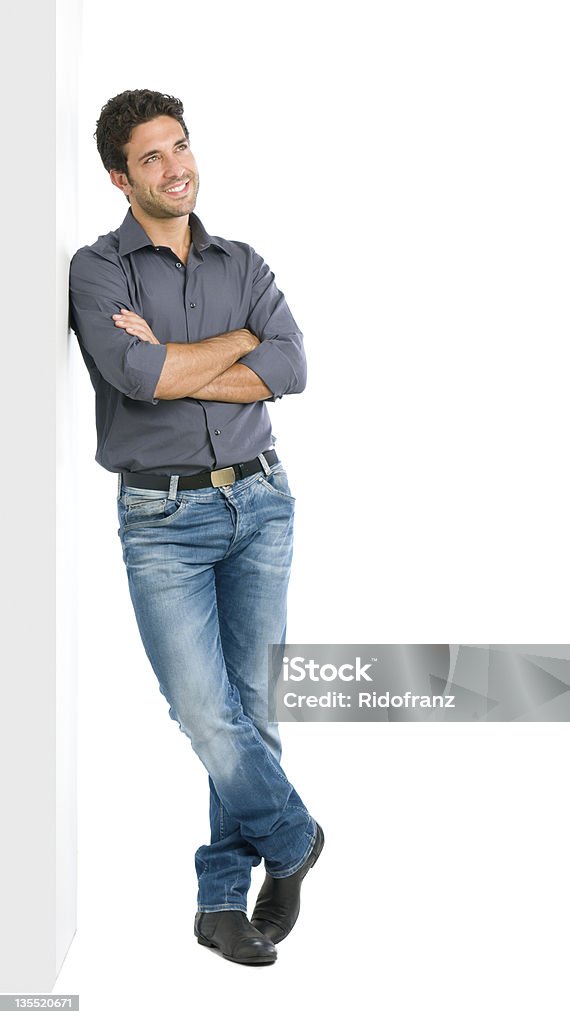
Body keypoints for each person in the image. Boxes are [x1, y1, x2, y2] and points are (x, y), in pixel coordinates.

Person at [69, 89, 323, 968]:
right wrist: (234, 342)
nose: (176, 166)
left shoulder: (241, 258)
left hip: (261, 500)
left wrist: (186, 361)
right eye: (151, 156)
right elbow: (135, 375)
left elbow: (289, 365)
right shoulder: (98, 269)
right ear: (118, 176)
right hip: (161, 517)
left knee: (254, 712)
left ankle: (223, 902)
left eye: (180, 145)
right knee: (205, 713)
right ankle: (294, 841)